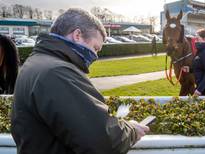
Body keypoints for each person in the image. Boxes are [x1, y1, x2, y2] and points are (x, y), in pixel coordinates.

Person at [11, 8, 149, 154]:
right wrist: (132, 130)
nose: (95, 56)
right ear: (77, 35)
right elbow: (102, 141)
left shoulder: (36, 62)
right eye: (95, 48)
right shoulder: (57, 72)